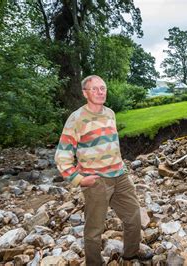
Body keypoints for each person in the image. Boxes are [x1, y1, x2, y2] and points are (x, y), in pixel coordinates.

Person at [55, 75, 152, 265]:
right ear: (85, 93)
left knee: (133, 216)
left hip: (120, 176)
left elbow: (111, 145)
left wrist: (121, 167)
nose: (100, 92)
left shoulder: (110, 113)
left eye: (103, 88)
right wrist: (79, 179)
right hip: (96, 181)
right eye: (95, 89)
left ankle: (130, 254)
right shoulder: (76, 119)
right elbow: (62, 155)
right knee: (94, 229)